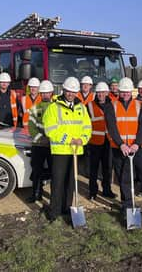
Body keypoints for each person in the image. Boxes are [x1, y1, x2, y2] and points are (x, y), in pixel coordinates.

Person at [107, 77, 142, 221]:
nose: (125, 94)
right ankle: (127, 208)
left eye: (128, 92)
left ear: (131, 92)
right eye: (123, 92)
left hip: (137, 149)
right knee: (125, 180)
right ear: (119, 92)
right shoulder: (112, 106)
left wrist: (137, 143)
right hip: (119, 149)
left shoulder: (139, 106)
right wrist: (121, 144)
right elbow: (111, 127)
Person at [42, 77, 92, 222]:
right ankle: (54, 212)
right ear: (63, 90)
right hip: (60, 151)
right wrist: (68, 139)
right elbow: (50, 129)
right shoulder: (54, 107)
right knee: (58, 183)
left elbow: (87, 127)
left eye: (73, 91)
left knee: (71, 183)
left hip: (75, 151)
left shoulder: (81, 108)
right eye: (68, 91)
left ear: (77, 92)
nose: (70, 94)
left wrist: (82, 140)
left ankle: (67, 209)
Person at [86, 82, 117, 200]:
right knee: (93, 169)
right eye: (98, 92)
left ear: (107, 93)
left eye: (103, 92)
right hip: (94, 142)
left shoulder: (113, 105)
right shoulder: (89, 106)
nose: (100, 95)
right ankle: (92, 191)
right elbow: (85, 123)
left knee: (107, 168)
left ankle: (107, 190)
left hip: (109, 142)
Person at [26, 79, 54, 203]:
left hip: (53, 145)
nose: (45, 95)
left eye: (47, 93)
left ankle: (55, 196)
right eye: (43, 93)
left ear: (51, 93)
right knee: (36, 170)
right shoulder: (36, 108)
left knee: (55, 171)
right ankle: (36, 194)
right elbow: (31, 127)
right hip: (38, 145)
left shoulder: (56, 108)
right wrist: (41, 139)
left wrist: (51, 139)